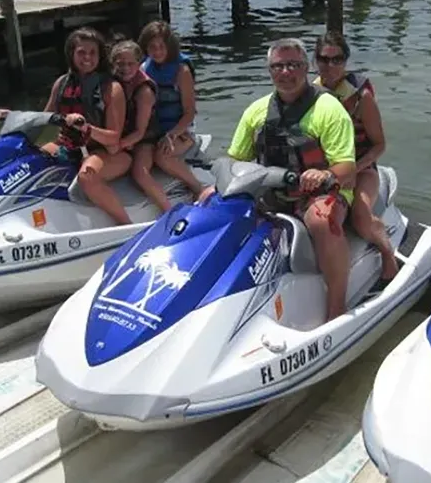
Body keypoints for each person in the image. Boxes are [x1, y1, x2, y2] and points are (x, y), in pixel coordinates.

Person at [199, 38, 357, 322]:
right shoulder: (256, 111)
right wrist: (216, 184)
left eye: (294, 65)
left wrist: (324, 175)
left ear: (306, 67)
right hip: (271, 190)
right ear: (270, 71)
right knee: (209, 200)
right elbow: (236, 158)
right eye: (278, 66)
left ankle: (337, 306)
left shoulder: (328, 109)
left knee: (322, 220)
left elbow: (347, 169)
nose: (286, 72)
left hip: (321, 193)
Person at [0, 27, 133, 225]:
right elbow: (44, 118)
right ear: (71, 54)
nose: (87, 57)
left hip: (108, 153)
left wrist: (86, 127)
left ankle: (126, 226)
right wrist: (13, 116)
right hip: (70, 148)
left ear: (100, 55)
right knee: (28, 159)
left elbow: (113, 137)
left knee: (87, 176)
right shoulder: (62, 83)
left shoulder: (111, 88)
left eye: (93, 52)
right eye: (81, 52)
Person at [313, 31, 398, 284]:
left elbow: (379, 144)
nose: (330, 66)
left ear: (346, 61)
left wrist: (354, 170)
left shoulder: (361, 97)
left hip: (361, 168)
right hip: (324, 170)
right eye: (323, 59)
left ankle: (386, 251)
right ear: (315, 61)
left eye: (336, 60)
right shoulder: (309, 94)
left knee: (360, 216)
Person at [136, 20, 206, 209]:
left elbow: (190, 112)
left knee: (162, 156)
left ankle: (197, 188)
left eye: (162, 47)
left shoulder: (182, 70)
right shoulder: (144, 69)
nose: (157, 52)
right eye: (152, 47)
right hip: (154, 130)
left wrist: (172, 134)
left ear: (170, 46)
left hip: (181, 129)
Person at [109, 39, 164, 207]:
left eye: (130, 64)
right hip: (123, 134)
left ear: (139, 63)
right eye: (120, 64)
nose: (125, 68)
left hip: (145, 139)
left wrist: (119, 145)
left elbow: (140, 131)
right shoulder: (112, 82)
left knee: (139, 172)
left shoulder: (144, 91)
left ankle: (168, 210)